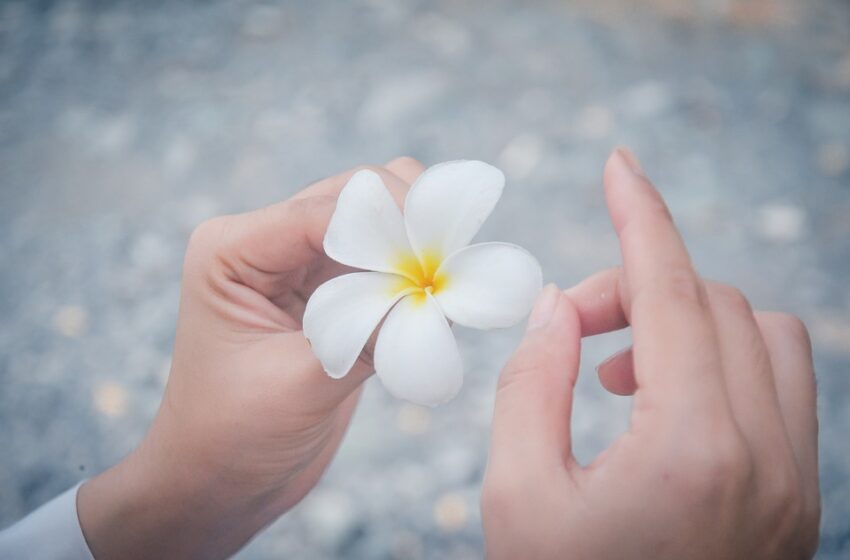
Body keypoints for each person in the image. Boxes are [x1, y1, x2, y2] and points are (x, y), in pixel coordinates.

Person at [0, 149, 819, 559]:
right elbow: (361, 338)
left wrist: (168, 505)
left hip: (418, 284)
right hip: (409, 292)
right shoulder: (374, 307)